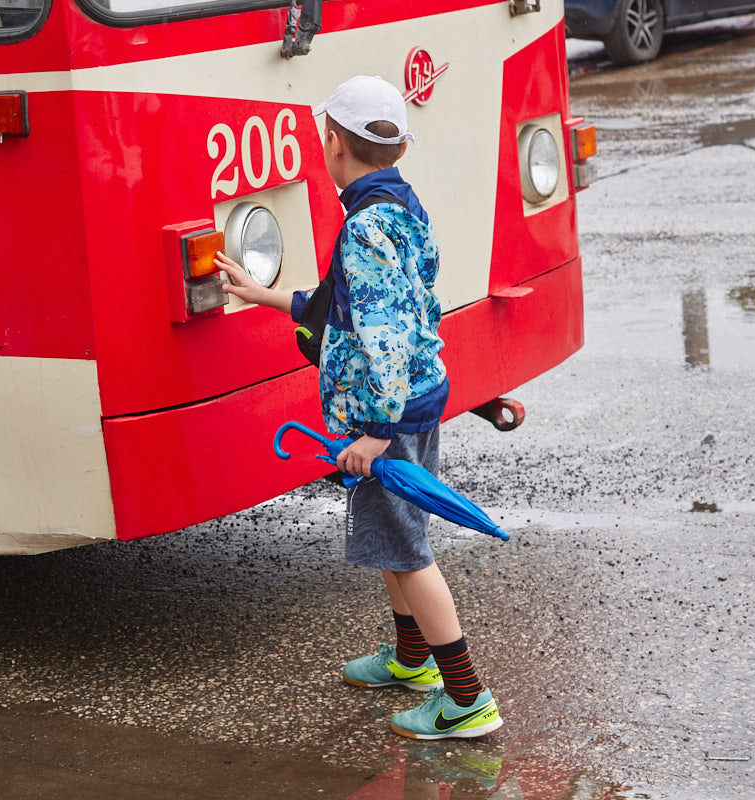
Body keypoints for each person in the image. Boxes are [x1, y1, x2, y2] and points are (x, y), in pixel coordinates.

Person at [213, 75, 502, 740]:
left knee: (406, 552)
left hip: (388, 422)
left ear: (332, 143)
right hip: (413, 405)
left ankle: (466, 699)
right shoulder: (396, 210)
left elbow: (387, 336)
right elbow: (351, 307)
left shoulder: (365, 229)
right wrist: (264, 294)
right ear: (396, 150)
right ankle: (409, 661)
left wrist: (375, 433)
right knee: (388, 543)